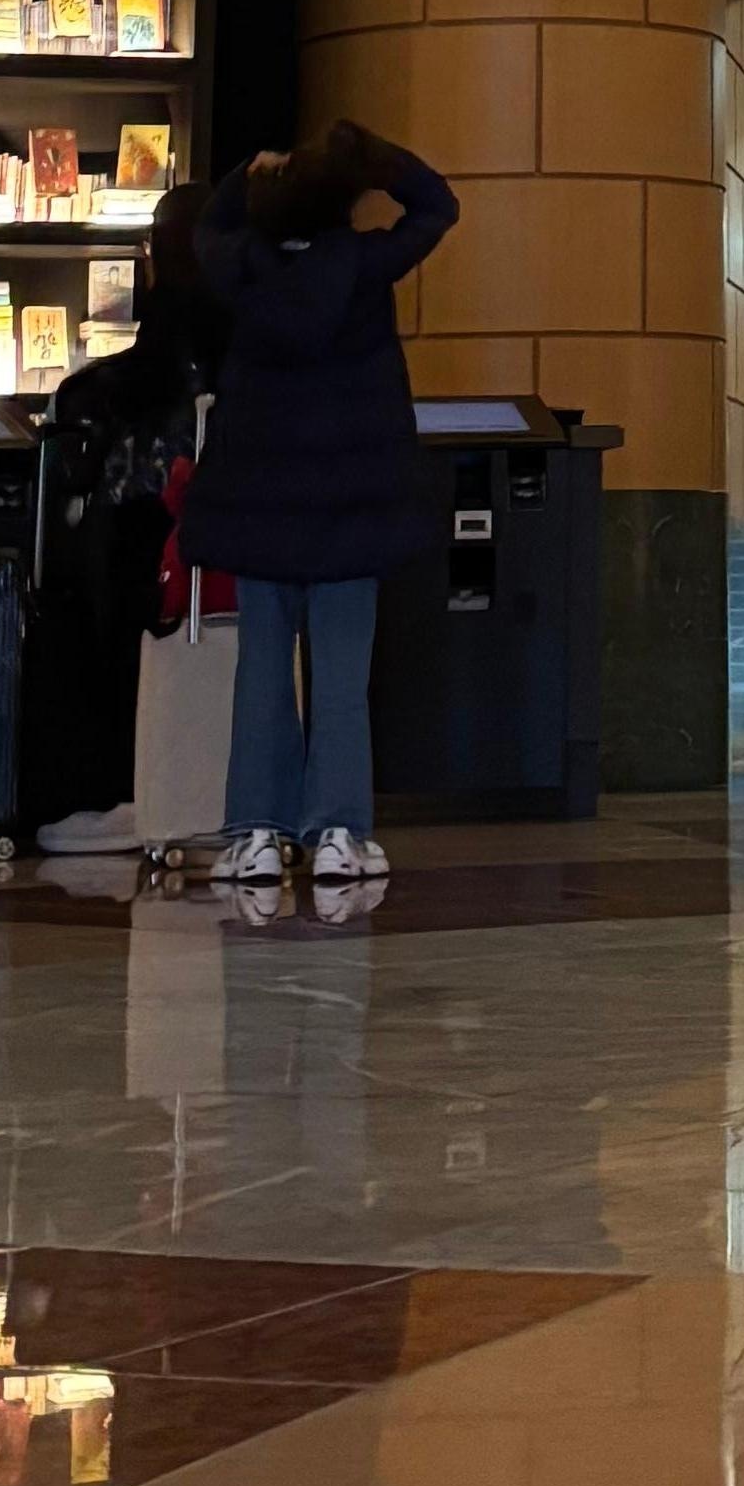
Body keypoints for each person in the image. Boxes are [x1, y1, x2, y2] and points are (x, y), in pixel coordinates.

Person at [185, 117, 457, 899]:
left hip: (260, 506)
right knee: (342, 673)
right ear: (341, 203)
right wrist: (369, 158)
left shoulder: (240, 268)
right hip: (352, 508)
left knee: (262, 669)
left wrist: (249, 168)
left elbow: (208, 225)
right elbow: (437, 207)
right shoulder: (367, 266)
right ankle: (338, 832)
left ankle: (256, 835)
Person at [25, 183, 208, 856]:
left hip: (131, 519)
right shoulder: (237, 335)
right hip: (209, 516)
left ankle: (120, 795)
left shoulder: (120, 368)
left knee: (115, 656)